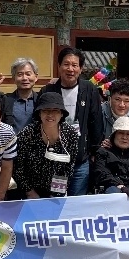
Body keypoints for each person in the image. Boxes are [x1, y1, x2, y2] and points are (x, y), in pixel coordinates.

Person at [41, 47, 104, 196]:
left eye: (75, 65)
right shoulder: (48, 91)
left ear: (80, 69)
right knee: (57, 200)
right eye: (66, 64)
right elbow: (38, 121)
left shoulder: (89, 89)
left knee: (76, 202)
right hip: (54, 161)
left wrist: (94, 151)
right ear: (59, 66)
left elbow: (96, 121)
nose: (70, 69)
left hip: (80, 161)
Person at [12, 93, 79, 198]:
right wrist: (30, 192)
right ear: (39, 113)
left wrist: (56, 194)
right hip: (28, 191)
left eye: (55, 110)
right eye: (46, 110)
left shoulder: (71, 134)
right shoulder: (27, 134)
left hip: (56, 190)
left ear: (62, 114)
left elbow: (68, 168)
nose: (50, 115)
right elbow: (18, 167)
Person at [2, 57, 40, 133]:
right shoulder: (5, 100)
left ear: (36, 77)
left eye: (28, 74)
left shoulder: (41, 100)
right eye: (20, 74)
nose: (24, 78)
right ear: (14, 79)